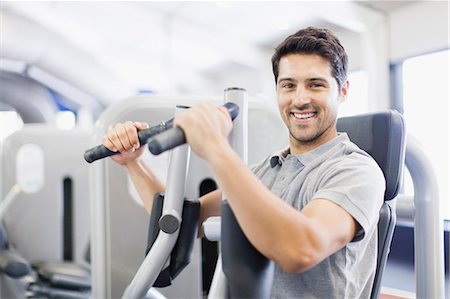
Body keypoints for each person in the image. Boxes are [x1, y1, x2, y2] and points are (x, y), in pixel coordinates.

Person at [102, 27, 385, 298]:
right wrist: (134, 164)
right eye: (288, 85)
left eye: (316, 85)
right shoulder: (267, 170)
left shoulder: (355, 171)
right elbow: (184, 220)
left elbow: (302, 249)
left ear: (343, 90)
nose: (300, 99)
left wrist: (215, 147)